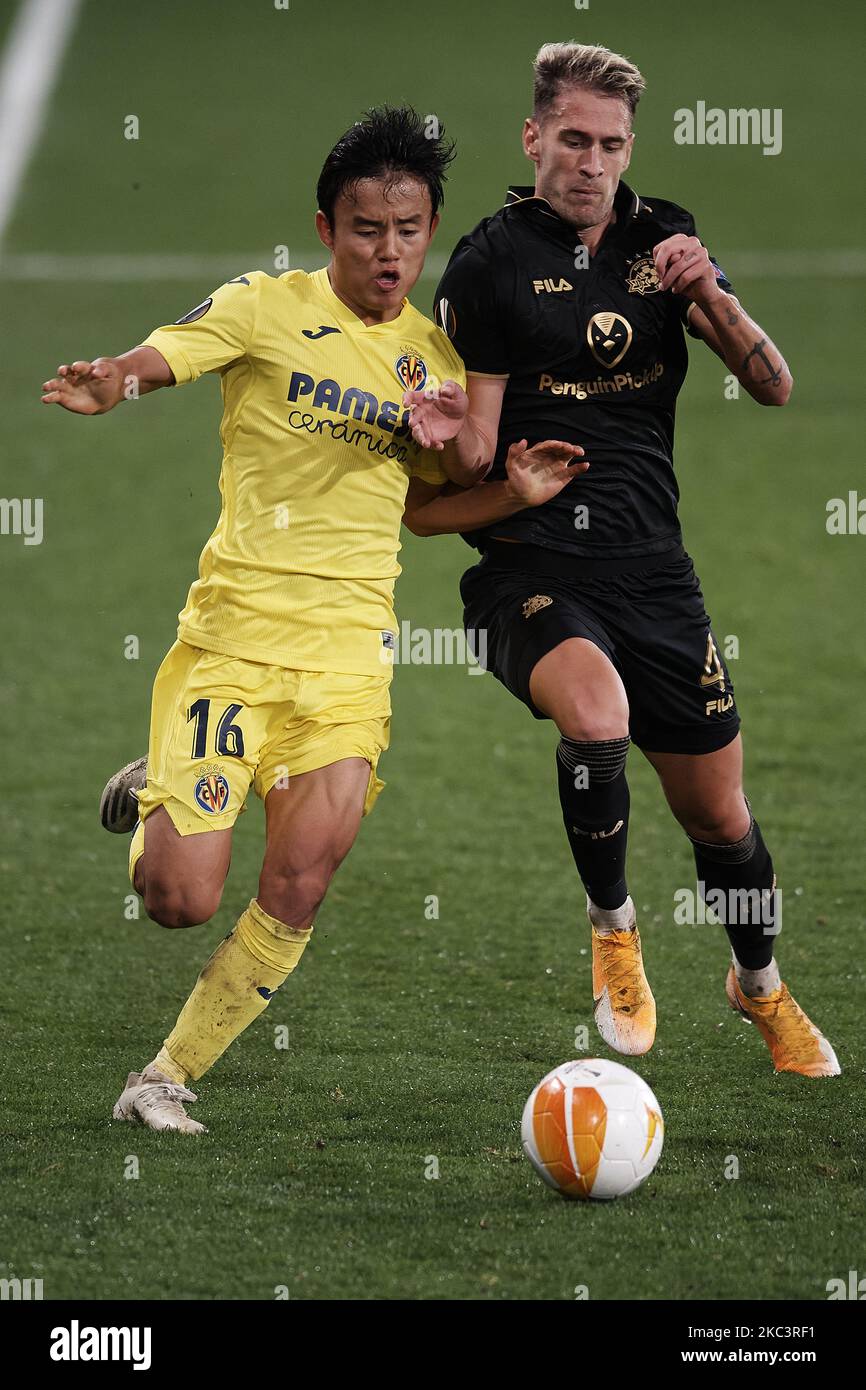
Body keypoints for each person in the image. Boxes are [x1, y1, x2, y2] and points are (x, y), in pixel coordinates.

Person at [41, 106, 585, 1134]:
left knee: (298, 882)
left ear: (430, 230)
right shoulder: (264, 306)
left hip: (346, 663)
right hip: (234, 641)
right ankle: (157, 791)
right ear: (326, 226)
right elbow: (169, 350)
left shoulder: (432, 362)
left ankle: (162, 1075)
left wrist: (508, 494)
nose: (389, 251)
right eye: (366, 229)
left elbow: (425, 507)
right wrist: (114, 380)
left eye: (409, 229)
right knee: (179, 898)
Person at [403, 43, 839, 1077]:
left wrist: (710, 293)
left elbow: (770, 384)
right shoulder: (489, 261)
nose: (590, 162)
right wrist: (450, 429)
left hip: (654, 576)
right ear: (532, 138)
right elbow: (472, 454)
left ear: (627, 147)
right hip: (527, 566)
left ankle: (758, 985)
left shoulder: (663, 237)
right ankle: (612, 930)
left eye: (608, 144)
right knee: (594, 719)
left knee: (720, 820)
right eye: (570, 141)